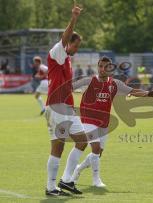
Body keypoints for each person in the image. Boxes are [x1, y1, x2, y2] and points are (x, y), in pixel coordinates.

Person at [70, 56, 153, 187]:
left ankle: (78, 169)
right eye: (100, 66)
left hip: (104, 122)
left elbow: (133, 91)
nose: (102, 69)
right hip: (88, 120)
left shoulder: (115, 84)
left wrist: (150, 94)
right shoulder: (88, 81)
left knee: (98, 153)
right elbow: (69, 87)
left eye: (106, 67)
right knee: (96, 148)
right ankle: (96, 180)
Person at [45, 1, 87, 196]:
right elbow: (66, 35)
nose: (77, 49)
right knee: (58, 147)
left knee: (82, 141)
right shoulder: (58, 51)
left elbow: (66, 85)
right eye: (76, 45)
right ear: (69, 42)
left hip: (67, 107)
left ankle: (67, 180)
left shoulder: (67, 59)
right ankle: (50, 187)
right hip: (56, 107)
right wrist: (75, 18)